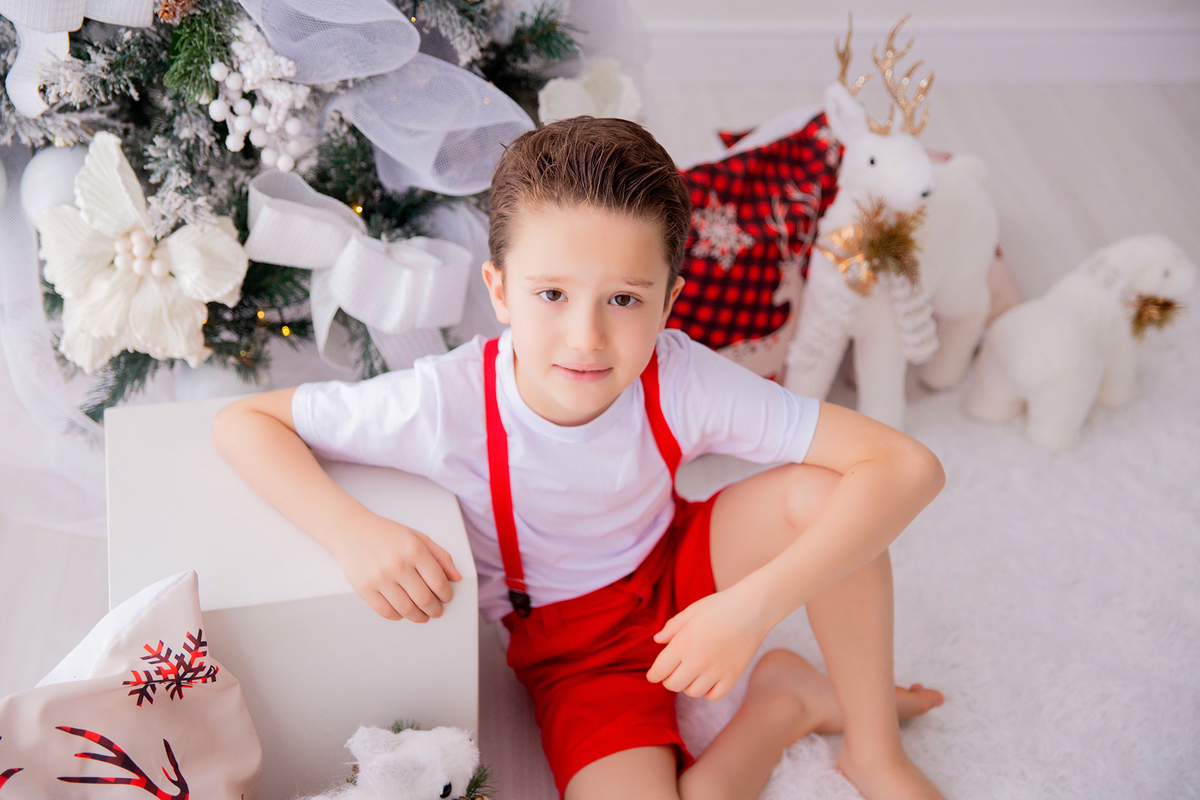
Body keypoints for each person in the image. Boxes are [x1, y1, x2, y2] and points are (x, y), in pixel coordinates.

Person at [213, 116, 947, 800]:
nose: (586, 338)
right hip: (576, 654)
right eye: (553, 294)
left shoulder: (680, 375)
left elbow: (908, 468)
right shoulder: (443, 403)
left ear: (668, 304)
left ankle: (873, 752)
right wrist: (353, 532)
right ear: (499, 291)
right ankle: (784, 704)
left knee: (830, 493)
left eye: (624, 299)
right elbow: (245, 423)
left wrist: (753, 609)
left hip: (679, 562)